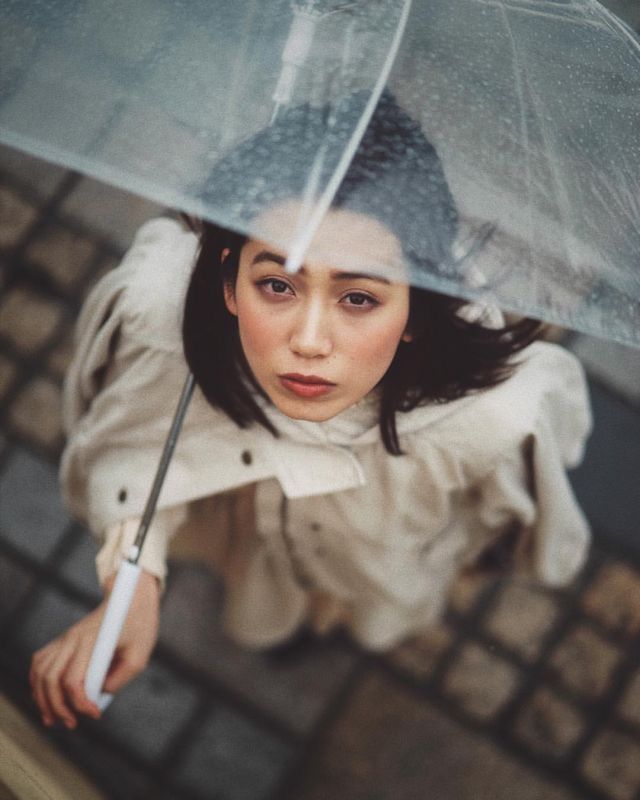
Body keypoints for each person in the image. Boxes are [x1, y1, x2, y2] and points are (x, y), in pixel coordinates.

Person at [29, 92, 592, 729]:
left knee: (346, 612)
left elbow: (513, 527)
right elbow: (129, 447)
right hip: (243, 540)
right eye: (277, 284)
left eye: (358, 298)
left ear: (417, 306)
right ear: (226, 279)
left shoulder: (491, 415)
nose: (310, 341)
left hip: (373, 565)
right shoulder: (166, 326)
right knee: (257, 595)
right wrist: (135, 583)